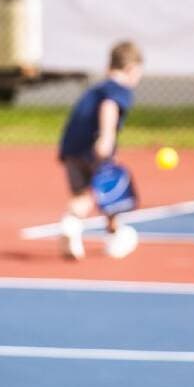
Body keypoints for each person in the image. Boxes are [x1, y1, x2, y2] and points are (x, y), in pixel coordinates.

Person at [57, 40, 143, 261]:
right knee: (112, 193)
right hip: (95, 148)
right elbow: (109, 107)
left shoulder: (96, 88)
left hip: (71, 147)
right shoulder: (118, 89)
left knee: (82, 194)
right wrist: (106, 137)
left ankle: (72, 222)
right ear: (132, 69)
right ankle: (115, 236)